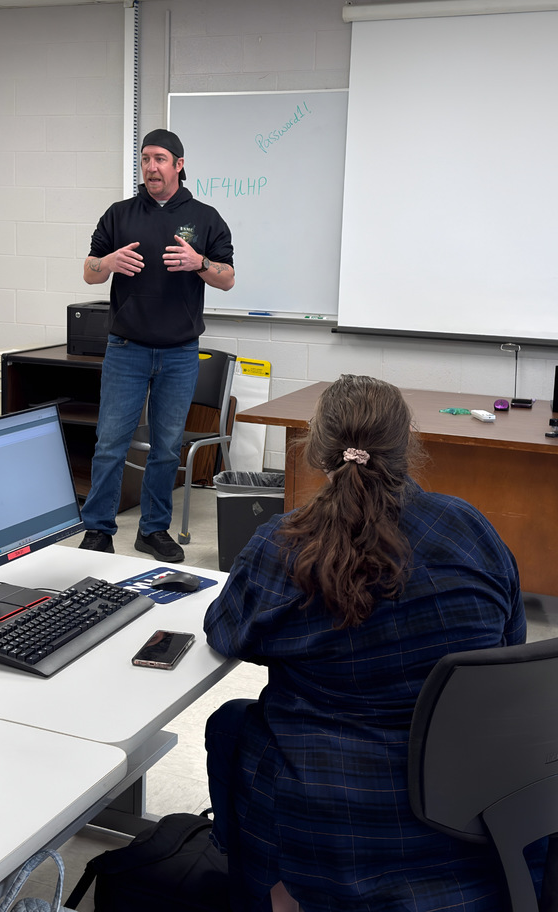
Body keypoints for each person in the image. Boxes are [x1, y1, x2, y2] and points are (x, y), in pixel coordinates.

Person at [203, 374, 532, 912]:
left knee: (232, 723)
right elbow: (508, 642)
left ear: (316, 451)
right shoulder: (469, 529)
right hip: (464, 798)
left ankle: (265, 890)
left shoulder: (283, 543)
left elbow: (227, 630)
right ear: (409, 445)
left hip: (326, 806)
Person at [78, 128, 234, 562]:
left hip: (180, 353)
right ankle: (98, 530)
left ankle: (153, 530)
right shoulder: (119, 214)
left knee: (166, 447)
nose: (151, 167)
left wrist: (199, 262)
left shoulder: (205, 218)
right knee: (110, 443)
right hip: (126, 349)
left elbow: (227, 278)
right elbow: (90, 272)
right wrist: (106, 263)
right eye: (145, 159)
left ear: (179, 165)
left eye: (160, 159)